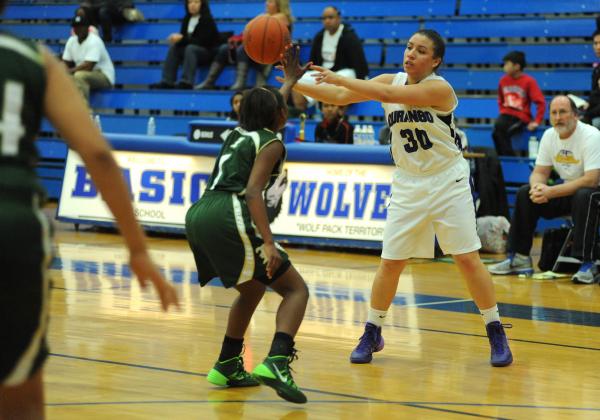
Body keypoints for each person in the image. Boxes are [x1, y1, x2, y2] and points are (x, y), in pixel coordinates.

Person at [282, 29, 513, 367]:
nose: (410, 54)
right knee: (390, 261)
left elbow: (384, 92)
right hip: (408, 182)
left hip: (448, 179)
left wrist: (342, 78)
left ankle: (495, 330)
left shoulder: (439, 88)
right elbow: (338, 95)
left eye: (420, 51)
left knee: (466, 259)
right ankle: (372, 331)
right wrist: (295, 81)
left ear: (434, 61)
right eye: (408, 47)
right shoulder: (392, 79)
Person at [0, 1, 179, 417]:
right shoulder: (34, 59)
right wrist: (137, 249)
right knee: (20, 399)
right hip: (13, 228)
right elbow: (97, 154)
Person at [185, 48, 309, 404]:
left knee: (253, 289)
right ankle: (277, 360)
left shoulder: (238, 133)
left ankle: (227, 362)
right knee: (295, 290)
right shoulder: (272, 142)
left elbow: (268, 108)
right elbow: (254, 191)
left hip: (200, 212)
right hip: (229, 211)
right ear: (281, 116)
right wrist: (269, 243)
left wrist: (287, 82)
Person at [489, 96, 600, 284]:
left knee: (584, 195)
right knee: (525, 193)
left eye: (563, 112)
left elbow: (591, 180)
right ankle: (520, 258)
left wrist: (551, 192)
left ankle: (588, 264)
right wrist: (537, 188)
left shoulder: (591, 135)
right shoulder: (549, 135)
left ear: (575, 115)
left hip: (593, 192)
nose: (558, 117)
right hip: (568, 190)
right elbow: (540, 172)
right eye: (554, 113)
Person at [195, 0, 293, 91]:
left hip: (273, 56)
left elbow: (256, 30)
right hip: (257, 53)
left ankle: (240, 82)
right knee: (225, 49)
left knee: (243, 49)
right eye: (267, 1)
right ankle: (209, 81)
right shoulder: (264, 17)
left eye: (270, 1)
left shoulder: (282, 17)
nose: (266, 3)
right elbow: (249, 31)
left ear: (279, 4)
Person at [291, 5, 369, 111]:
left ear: (338, 18)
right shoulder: (319, 37)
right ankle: (302, 118)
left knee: (342, 81)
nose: (327, 21)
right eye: (324, 18)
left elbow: (359, 62)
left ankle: (340, 118)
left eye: (330, 17)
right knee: (297, 80)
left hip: (343, 73)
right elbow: (312, 62)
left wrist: (363, 81)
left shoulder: (349, 36)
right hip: (324, 74)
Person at [150, 0, 220, 90]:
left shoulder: (207, 19)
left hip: (207, 52)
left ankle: (187, 81)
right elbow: (184, 41)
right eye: (190, 2)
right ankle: (167, 80)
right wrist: (177, 40)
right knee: (174, 47)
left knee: (190, 48)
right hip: (191, 50)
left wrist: (182, 39)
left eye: (196, 2)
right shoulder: (186, 19)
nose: (192, 5)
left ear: (202, 4)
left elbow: (204, 42)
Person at [492, 51, 546, 156]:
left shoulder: (529, 81)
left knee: (500, 131)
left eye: (507, 64)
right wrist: (503, 111)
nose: (504, 67)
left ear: (516, 66)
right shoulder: (503, 81)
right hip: (506, 116)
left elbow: (541, 102)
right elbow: (500, 99)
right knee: (496, 133)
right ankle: (506, 161)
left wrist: (537, 121)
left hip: (521, 117)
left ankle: (509, 162)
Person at [62, 14, 115, 102]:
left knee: (79, 76)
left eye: (81, 27)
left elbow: (88, 66)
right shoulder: (71, 41)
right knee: (62, 78)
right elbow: (65, 63)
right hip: (85, 74)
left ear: (87, 28)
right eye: (76, 27)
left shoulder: (94, 41)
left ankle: (85, 112)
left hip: (104, 76)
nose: (79, 29)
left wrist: (69, 71)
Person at [582, 28, 600, 130]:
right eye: (595, 43)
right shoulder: (596, 70)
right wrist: (588, 103)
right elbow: (595, 94)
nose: (598, 47)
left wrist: (588, 114)